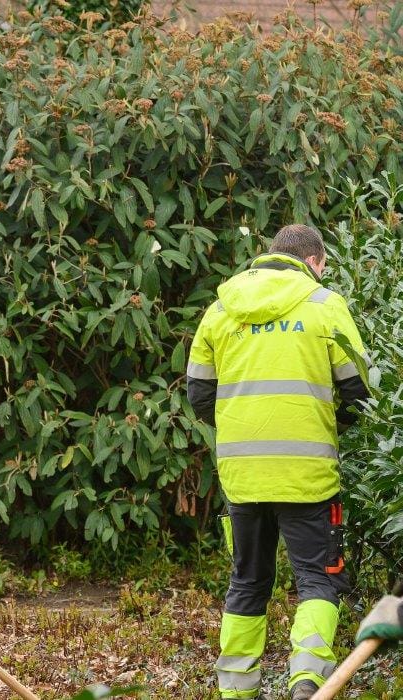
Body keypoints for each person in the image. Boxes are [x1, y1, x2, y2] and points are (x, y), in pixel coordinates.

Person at [188, 224, 371, 700]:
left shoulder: (220, 309)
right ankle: (307, 684)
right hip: (307, 475)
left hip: (243, 474)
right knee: (318, 579)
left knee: (247, 581)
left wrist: (241, 433)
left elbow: (199, 393)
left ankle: (235, 691)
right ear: (316, 262)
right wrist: (324, 431)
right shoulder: (323, 304)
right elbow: (357, 392)